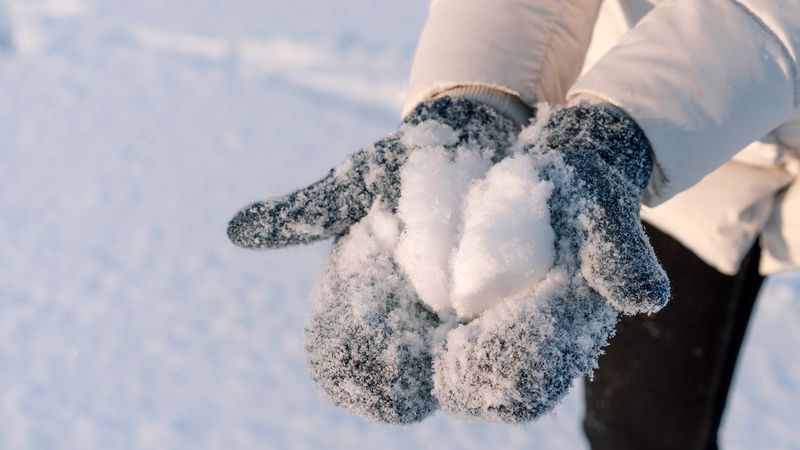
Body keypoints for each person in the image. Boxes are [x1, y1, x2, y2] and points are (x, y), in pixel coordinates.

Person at [228, 0, 800, 448]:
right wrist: (476, 103)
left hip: (651, 127)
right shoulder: (581, 182)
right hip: (655, 156)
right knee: (637, 430)